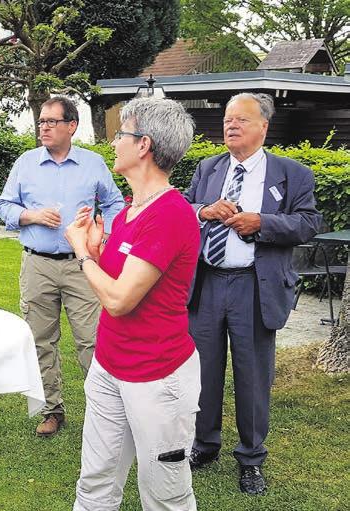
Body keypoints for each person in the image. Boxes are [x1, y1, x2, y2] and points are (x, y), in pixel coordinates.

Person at [65, 97, 201, 510]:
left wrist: (81, 254)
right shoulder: (128, 211)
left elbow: (120, 300)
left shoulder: (171, 215)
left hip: (157, 378)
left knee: (165, 496)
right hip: (110, 366)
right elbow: (117, 281)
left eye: (121, 133)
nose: (114, 141)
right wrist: (98, 246)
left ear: (143, 145)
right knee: (95, 482)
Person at [183, 92, 321, 495]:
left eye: (241, 119)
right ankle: (204, 445)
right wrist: (203, 212)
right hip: (207, 284)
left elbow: (309, 222)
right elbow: (186, 208)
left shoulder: (292, 173)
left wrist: (263, 222)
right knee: (203, 373)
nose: (231, 125)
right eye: (228, 119)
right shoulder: (208, 168)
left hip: (253, 287)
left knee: (252, 376)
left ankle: (250, 458)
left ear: (264, 125)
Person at [0, 97, 124, 437]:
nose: (45, 127)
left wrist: (106, 237)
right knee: (40, 341)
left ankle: (105, 411)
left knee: (92, 341)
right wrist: (31, 215)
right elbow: (4, 206)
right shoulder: (25, 163)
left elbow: (114, 203)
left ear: (72, 126)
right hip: (37, 264)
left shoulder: (93, 163)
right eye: (41, 121)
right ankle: (52, 411)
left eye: (52, 121)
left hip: (81, 266)